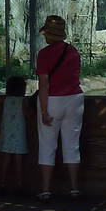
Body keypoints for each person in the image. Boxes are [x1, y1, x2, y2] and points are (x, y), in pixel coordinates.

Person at [35, 14, 84, 200]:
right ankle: (74, 188)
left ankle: (46, 189)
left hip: (53, 99)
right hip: (75, 99)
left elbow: (44, 84)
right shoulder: (73, 51)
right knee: (72, 145)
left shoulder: (44, 54)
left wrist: (44, 110)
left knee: (47, 145)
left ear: (48, 34)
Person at [0, 75, 29, 194]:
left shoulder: (5, 100)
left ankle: (2, 183)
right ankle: (19, 185)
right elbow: (27, 115)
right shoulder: (23, 101)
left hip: (7, 134)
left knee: (6, 160)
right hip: (19, 136)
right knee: (18, 162)